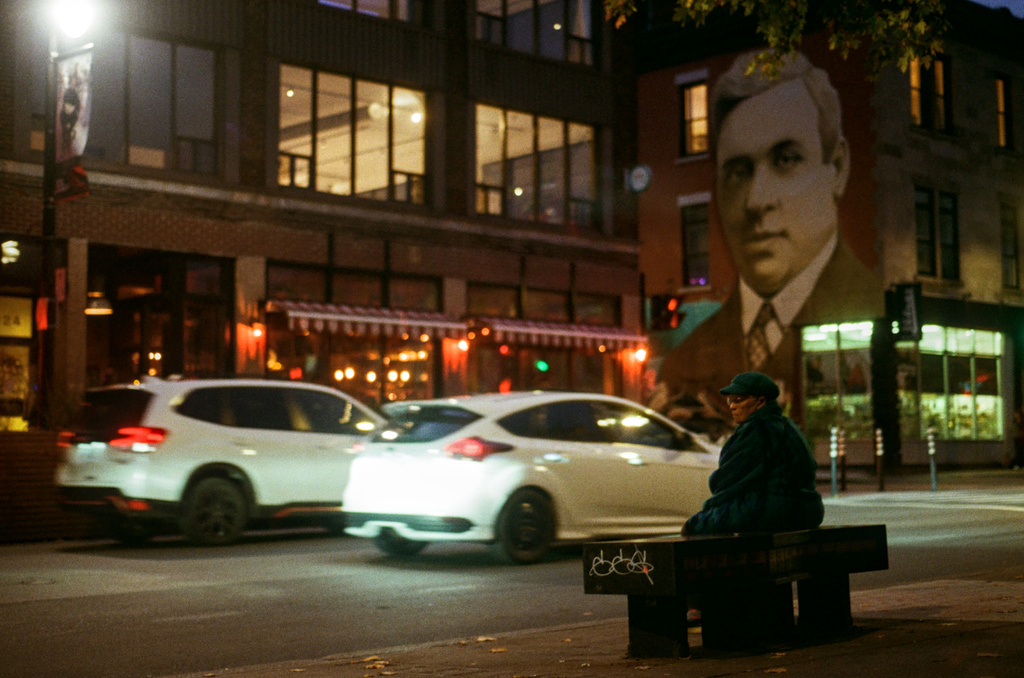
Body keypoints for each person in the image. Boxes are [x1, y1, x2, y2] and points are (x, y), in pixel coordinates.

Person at [659, 50, 883, 400]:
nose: (756, 200)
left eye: (786, 160)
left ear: (837, 168)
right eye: (738, 171)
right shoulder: (682, 361)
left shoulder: (873, 309)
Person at [683, 371, 824, 535]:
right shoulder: (788, 426)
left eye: (739, 399)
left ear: (760, 401)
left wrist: (707, 513)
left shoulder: (758, 429)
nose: (732, 406)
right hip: (809, 510)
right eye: (730, 400)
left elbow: (728, 482)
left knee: (693, 526)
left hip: (774, 510)